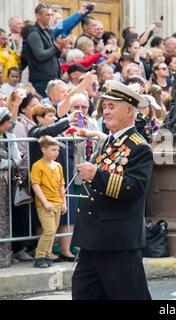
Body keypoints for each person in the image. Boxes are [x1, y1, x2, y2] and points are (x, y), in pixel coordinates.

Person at [71, 80, 153, 300]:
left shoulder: (140, 147)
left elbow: (134, 188)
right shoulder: (107, 142)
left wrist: (97, 175)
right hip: (92, 240)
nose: (105, 111)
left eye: (111, 106)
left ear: (129, 110)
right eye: (104, 106)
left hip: (117, 242)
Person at [31, 136, 67, 268]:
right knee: (49, 230)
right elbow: (35, 185)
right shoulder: (37, 166)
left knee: (53, 231)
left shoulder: (58, 166)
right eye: (53, 150)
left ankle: (47, 254)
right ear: (44, 149)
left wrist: (64, 202)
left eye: (57, 150)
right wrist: (45, 202)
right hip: (45, 204)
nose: (56, 152)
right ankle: (39, 256)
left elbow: (61, 185)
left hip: (57, 202)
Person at [25, 3, 69, 97]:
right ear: (38, 16)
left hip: (52, 77)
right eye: (47, 15)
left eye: (51, 15)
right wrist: (56, 47)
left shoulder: (47, 32)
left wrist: (60, 48)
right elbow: (40, 55)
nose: (50, 17)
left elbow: (53, 54)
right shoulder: (34, 34)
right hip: (41, 80)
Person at [0, 107, 22, 268]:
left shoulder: (10, 137)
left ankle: (5, 256)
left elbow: (17, 160)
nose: (9, 125)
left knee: (5, 219)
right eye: (6, 122)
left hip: (5, 184)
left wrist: (3, 164)